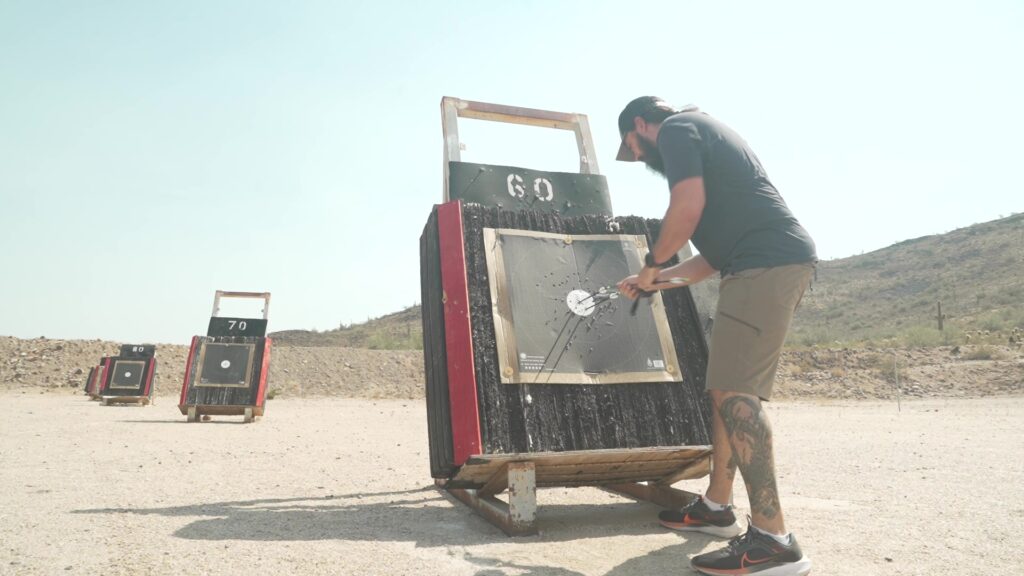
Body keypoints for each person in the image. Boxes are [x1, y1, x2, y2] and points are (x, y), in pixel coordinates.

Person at [615, 96, 816, 576]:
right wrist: (655, 283)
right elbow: (708, 262)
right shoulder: (705, 147)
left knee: (736, 393)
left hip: (766, 264)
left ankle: (773, 541)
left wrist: (650, 265)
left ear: (642, 124)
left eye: (633, 147)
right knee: (724, 387)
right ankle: (717, 508)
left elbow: (685, 207)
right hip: (754, 264)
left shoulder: (679, 129)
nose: (640, 158)